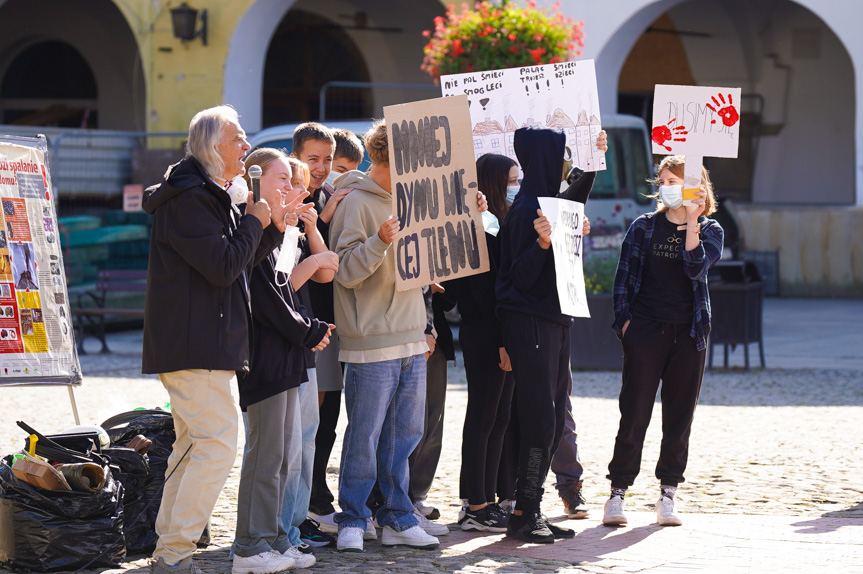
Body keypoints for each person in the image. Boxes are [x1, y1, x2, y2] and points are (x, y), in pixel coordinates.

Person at [142, 105, 272, 574]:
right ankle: (174, 553)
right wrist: (255, 219)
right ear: (212, 146)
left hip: (203, 341)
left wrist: (270, 225)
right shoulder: (191, 198)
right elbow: (221, 267)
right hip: (196, 343)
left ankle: (169, 550)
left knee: (193, 447)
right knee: (216, 446)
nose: (246, 147)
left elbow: (239, 265)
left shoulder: (208, 194)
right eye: (238, 139)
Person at [328, 120, 440, 553]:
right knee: (365, 433)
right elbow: (346, 272)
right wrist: (379, 241)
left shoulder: (414, 199)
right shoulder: (356, 203)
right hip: (370, 338)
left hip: (411, 334)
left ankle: (396, 516)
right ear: (385, 158)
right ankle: (353, 518)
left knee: (405, 433)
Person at [603, 155, 723, 527]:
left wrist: (691, 222)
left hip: (689, 334)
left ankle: (668, 493)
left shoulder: (711, 230)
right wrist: (625, 324)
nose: (667, 188)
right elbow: (622, 280)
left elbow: (695, 268)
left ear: (696, 186)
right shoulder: (643, 227)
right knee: (635, 412)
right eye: (664, 181)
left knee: (679, 417)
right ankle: (618, 492)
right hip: (645, 331)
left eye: (676, 181)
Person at [495, 126, 600, 544]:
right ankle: (523, 512)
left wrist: (593, 157)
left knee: (554, 417)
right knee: (540, 417)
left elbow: (577, 197)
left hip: (555, 319)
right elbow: (516, 278)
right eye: (561, 155)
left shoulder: (548, 203)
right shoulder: (525, 211)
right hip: (530, 320)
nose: (566, 164)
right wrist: (541, 245)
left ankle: (532, 506)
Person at [231, 148, 332, 573]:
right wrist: (308, 332)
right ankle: (251, 546)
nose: (291, 189)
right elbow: (267, 299)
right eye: (282, 180)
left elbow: (283, 288)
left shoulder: (273, 232)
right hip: (265, 360)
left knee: (286, 455)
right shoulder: (248, 229)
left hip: (287, 356)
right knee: (266, 456)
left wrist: (286, 226)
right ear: (256, 183)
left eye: (292, 182)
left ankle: (273, 538)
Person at [452, 153, 516, 533]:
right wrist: (503, 341)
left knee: (500, 417)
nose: (515, 185)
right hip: (486, 332)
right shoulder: (475, 229)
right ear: (492, 182)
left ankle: (488, 499)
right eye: (511, 179)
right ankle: (475, 503)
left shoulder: (500, 222)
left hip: (501, 333)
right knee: (483, 417)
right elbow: (481, 292)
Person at [307, 127, 364, 535]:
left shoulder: (328, 196)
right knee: (311, 418)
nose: (325, 171)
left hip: (332, 322)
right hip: (305, 325)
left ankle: (318, 494)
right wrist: (322, 221)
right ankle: (311, 499)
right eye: (319, 161)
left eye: (332, 164)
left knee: (328, 417)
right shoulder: (301, 199)